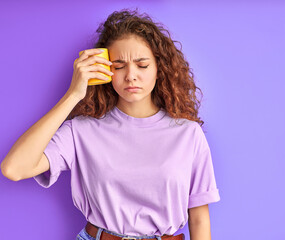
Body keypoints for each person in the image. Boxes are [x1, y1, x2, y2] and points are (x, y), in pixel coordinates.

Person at [1, 8, 220, 240]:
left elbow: (199, 218)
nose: (131, 75)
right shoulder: (81, 130)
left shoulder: (188, 134)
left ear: (159, 69)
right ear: (105, 70)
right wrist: (74, 94)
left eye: (142, 65)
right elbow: (13, 168)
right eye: (118, 66)